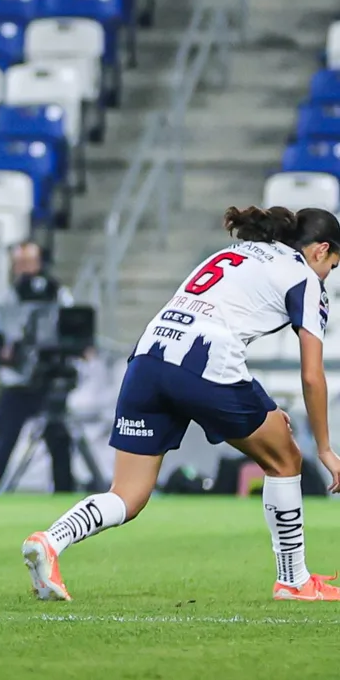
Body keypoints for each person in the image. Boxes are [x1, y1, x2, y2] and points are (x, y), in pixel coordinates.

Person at [21, 206, 340, 602]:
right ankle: (294, 581)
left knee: (128, 494)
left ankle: (50, 542)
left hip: (148, 360)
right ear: (320, 250)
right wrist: (325, 449)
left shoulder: (235, 254)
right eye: (333, 264)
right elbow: (311, 374)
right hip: (204, 360)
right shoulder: (304, 277)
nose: (328, 274)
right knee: (285, 460)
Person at [0, 240, 76, 492]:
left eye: (29, 262)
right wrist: (7, 355)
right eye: (20, 263)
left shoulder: (58, 294)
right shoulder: (2, 299)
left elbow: (74, 329)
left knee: (59, 440)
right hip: (16, 382)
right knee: (4, 443)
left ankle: (64, 494)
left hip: (50, 381)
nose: (25, 269)